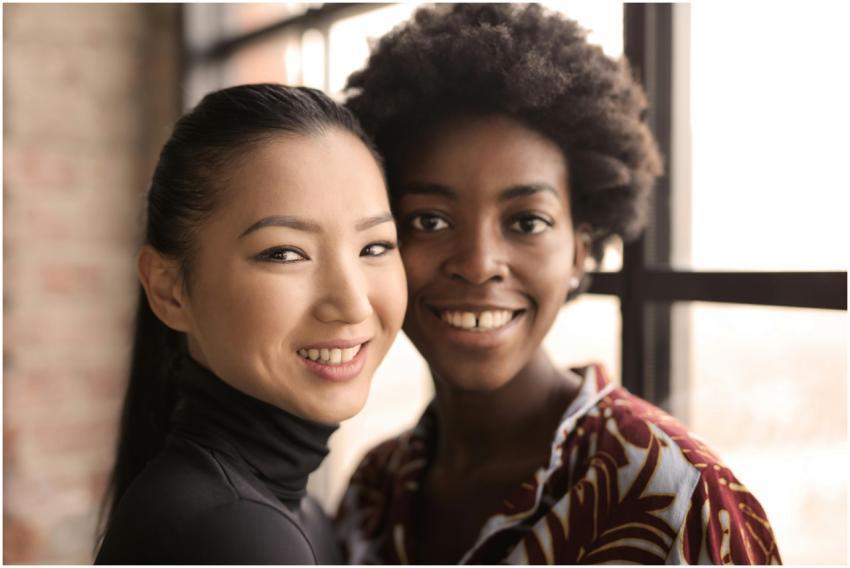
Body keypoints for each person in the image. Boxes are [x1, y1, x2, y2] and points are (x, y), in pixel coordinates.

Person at [335, 4, 781, 564]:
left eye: (527, 222)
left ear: (581, 251)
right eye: (429, 219)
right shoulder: (374, 488)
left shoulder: (679, 497)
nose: (478, 264)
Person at [95, 84, 407, 564]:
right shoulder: (233, 530)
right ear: (167, 289)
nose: (352, 304)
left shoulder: (296, 513)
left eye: (374, 247)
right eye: (285, 253)